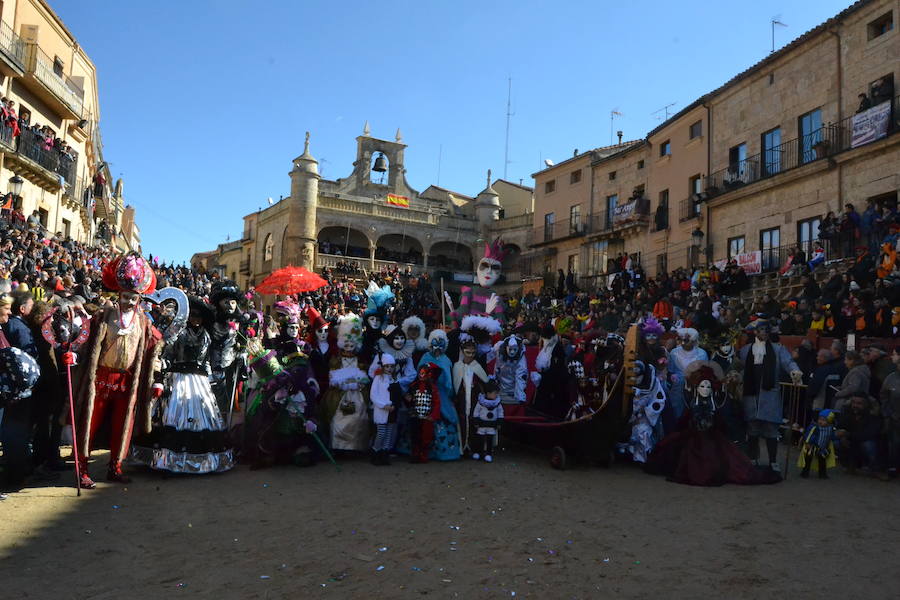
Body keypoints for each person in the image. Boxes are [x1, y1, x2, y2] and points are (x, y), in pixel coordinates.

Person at [73, 253, 161, 488]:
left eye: (134, 298)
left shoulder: (144, 323)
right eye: (126, 297)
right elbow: (85, 342)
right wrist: (73, 352)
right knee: (90, 423)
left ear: (139, 299)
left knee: (122, 426)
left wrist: (157, 379)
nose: (130, 302)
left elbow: (155, 353)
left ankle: (115, 467)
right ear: (119, 295)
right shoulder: (104, 316)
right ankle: (81, 468)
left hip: (127, 381)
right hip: (100, 377)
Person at [131, 297, 233, 474]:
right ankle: (166, 459)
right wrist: (161, 372)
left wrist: (211, 378)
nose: (196, 319)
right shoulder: (179, 333)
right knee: (173, 417)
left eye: (199, 317)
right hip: (178, 378)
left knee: (203, 418)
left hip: (199, 381)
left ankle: (202, 460)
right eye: (193, 316)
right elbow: (167, 355)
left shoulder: (206, 336)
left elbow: (206, 359)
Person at [645, 361, 780, 486]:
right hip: (692, 439)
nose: (705, 389)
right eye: (702, 386)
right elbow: (683, 422)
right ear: (696, 387)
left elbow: (722, 423)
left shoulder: (715, 404)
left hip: (713, 439)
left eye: (708, 386)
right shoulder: (692, 403)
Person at [736, 318, 803, 472]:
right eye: (760, 330)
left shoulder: (778, 349)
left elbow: (789, 362)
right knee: (752, 428)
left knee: (771, 429)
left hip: (769, 394)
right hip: (751, 394)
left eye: (766, 330)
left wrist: (795, 370)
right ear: (755, 332)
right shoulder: (746, 350)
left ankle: (773, 461)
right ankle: (752, 459)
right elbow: (739, 368)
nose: (764, 333)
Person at [798, 409, 837, 479]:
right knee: (808, 460)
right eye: (820, 419)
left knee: (822, 462)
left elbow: (832, 437)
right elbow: (809, 435)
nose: (820, 421)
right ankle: (805, 472)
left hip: (823, 448)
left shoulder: (830, 429)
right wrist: (808, 443)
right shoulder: (815, 428)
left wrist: (837, 436)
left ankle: (822, 474)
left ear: (829, 421)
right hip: (812, 447)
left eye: (823, 420)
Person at [471, 379, 503, 463]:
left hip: (491, 426)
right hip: (481, 424)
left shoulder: (497, 403)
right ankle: (478, 452)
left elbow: (500, 413)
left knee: (489, 440)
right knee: (479, 440)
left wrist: (499, 422)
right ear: (488, 393)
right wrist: (476, 421)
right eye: (495, 393)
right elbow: (476, 412)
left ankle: (488, 454)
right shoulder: (481, 402)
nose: (496, 395)